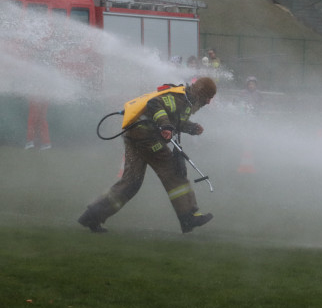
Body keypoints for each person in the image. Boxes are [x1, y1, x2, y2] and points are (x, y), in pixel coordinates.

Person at [77, 77, 218, 234]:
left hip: (134, 135)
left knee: (132, 182)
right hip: (146, 137)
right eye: (208, 97)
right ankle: (189, 216)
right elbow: (154, 105)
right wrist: (165, 125)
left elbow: (173, 120)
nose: (209, 101)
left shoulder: (186, 101)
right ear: (200, 93)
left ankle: (92, 216)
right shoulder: (179, 98)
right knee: (173, 172)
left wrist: (191, 128)